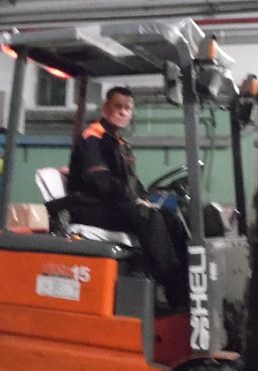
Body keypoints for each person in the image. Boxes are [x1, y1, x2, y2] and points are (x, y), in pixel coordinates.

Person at [67, 86, 189, 308]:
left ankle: (184, 283)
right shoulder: (94, 138)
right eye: (118, 106)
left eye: (128, 108)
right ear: (106, 109)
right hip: (90, 206)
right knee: (148, 218)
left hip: (114, 205)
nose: (123, 112)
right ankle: (172, 285)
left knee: (170, 218)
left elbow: (131, 181)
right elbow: (100, 180)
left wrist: (145, 198)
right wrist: (134, 200)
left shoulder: (120, 143)